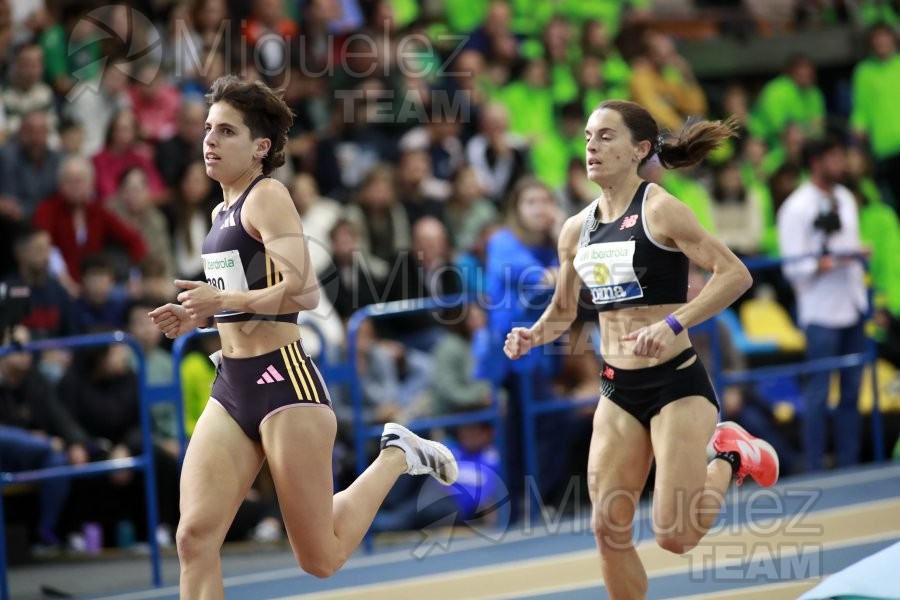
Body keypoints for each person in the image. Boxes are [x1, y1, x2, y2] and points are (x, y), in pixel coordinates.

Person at [148, 75, 458, 596]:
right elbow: (246, 293)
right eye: (207, 129)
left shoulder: (267, 195)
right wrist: (201, 313)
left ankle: (396, 456)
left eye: (226, 131)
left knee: (320, 558)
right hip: (231, 386)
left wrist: (220, 300)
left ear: (260, 147)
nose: (209, 140)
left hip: (284, 385)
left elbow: (303, 292)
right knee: (194, 537)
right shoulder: (218, 210)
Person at [503, 99, 780, 599]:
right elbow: (564, 312)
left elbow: (735, 274)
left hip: (675, 383)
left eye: (606, 137)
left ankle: (731, 455)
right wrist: (532, 334)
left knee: (676, 536)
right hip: (617, 389)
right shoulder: (575, 231)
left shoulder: (660, 209)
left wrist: (674, 322)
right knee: (608, 532)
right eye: (588, 136)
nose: (592, 146)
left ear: (639, 149)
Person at [776, 138, 869, 472]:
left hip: (852, 304)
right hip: (820, 310)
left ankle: (849, 462)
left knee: (852, 391)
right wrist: (826, 262)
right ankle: (815, 464)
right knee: (818, 392)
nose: (841, 163)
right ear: (816, 162)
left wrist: (854, 255)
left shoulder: (845, 198)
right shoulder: (796, 207)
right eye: (834, 156)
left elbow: (849, 245)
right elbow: (792, 266)